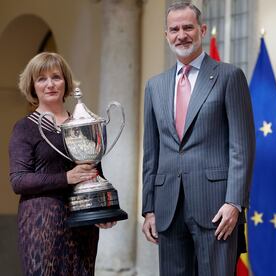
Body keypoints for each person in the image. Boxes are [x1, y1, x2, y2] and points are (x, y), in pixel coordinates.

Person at [141, 2, 255, 275]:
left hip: (216, 208)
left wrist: (234, 202)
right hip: (168, 207)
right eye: (174, 29)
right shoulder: (154, 86)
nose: (181, 35)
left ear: (202, 30)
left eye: (188, 27)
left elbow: (242, 146)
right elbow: (151, 153)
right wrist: (149, 209)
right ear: (166, 35)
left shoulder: (229, 76)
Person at [9, 52, 115, 275]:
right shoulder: (24, 128)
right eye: (41, 79)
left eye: (56, 77)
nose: (50, 84)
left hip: (83, 222)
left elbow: (95, 172)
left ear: (65, 81)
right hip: (41, 223)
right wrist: (66, 178)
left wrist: (104, 211)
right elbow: (19, 180)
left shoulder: (83, 123)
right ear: (32, 86)